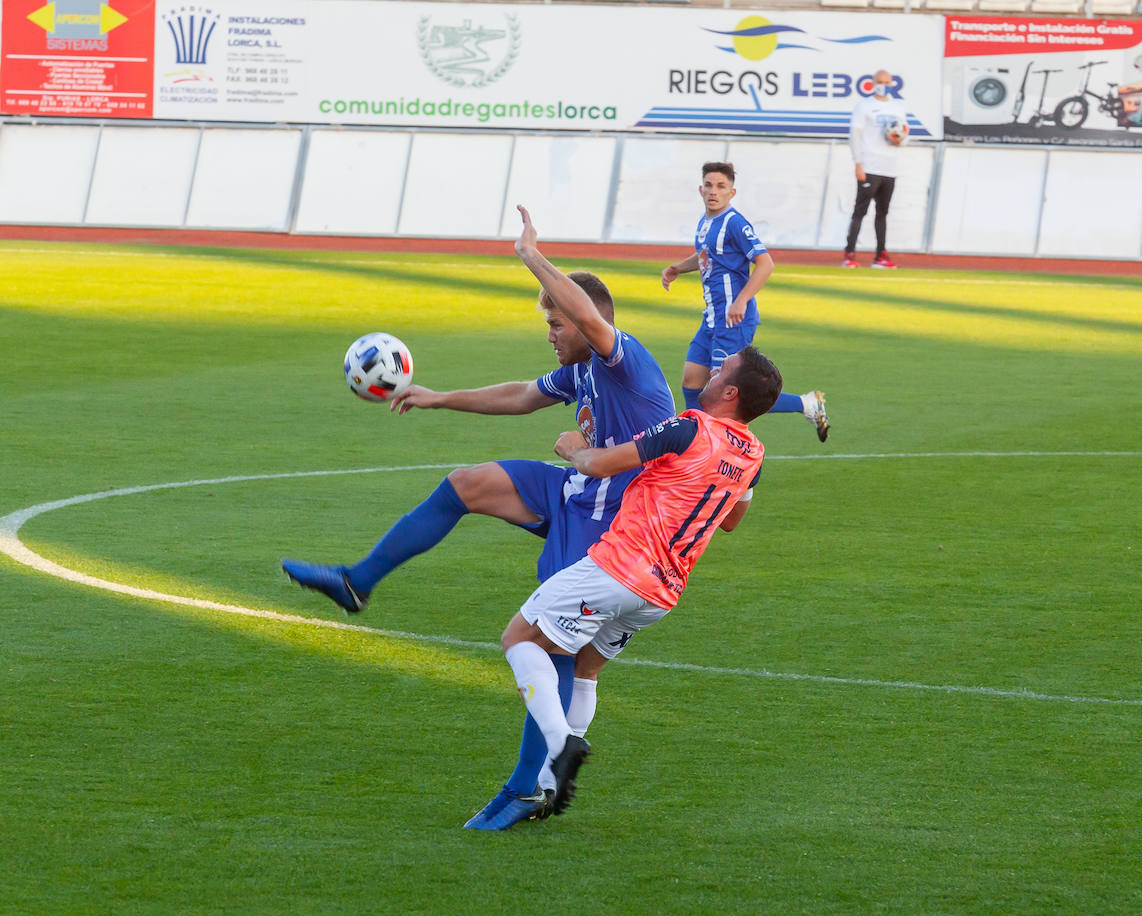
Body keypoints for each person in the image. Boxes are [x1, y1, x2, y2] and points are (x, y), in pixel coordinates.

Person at [281, 205, 676, 830]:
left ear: (581, 318)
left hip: (613, 520)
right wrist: (439, 397)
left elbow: (581, 317)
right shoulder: (582, 369)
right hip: (575, 489)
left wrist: (531, 257)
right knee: (465, 485)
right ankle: (357, 580)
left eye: (554, 319)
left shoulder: (623, 360)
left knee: (553, 641)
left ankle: (527, 788)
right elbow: (523, 395)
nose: (549, 330)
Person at [501, 345, 782, 817]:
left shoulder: (688, 426)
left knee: (518, 639)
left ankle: (560, 742)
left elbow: (599, 464)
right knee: (586, 668)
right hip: (663, 592)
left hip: (620, 567)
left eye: (722, 370)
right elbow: (732, 520)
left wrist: (572, 446)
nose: (711, 374)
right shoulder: (754, 453)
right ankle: (549, 789)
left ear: (730, 391)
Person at [660, 161, 831, 442]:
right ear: (700, 189)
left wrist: (741, 300)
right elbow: (707, 255)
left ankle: (804, 405)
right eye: (709, 185)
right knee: (692, 380)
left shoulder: (735, 222)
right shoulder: (706, 222)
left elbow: (766, 263)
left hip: (733, 320)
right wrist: (678, 268)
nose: (713, 191)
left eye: (721, 186)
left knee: (726, 393)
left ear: (732, 192)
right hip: (712, 318)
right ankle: (696, 441)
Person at [842, 70, 905, 270]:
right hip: (869, 166)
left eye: (887, 82)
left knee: (882, 213)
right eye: (880, 81)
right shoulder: (864, 106)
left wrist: (899, 140)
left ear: (892, 83)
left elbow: (904, 132)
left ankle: (880, 256)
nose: (883, 85)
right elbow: (855, 135)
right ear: (873, 83)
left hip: (890, 167)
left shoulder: (897, 107)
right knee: (860, 211)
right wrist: (858, 163)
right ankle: (849, 254)